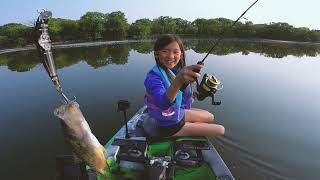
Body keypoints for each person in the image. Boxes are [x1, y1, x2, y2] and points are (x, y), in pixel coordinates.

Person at [144, 34, 225, 137]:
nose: (170, 56)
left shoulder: (171, 70)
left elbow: (180, 94)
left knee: (210, 116)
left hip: (176, 113)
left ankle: (190, 125)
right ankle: (186, 128)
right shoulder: (153, 77)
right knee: (221, 129)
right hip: (168, 125)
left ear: (181, 54)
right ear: (156, 54)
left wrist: (196, 94)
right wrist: (179, 79)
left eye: (175, 52)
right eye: (165, 51)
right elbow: (163, 104)